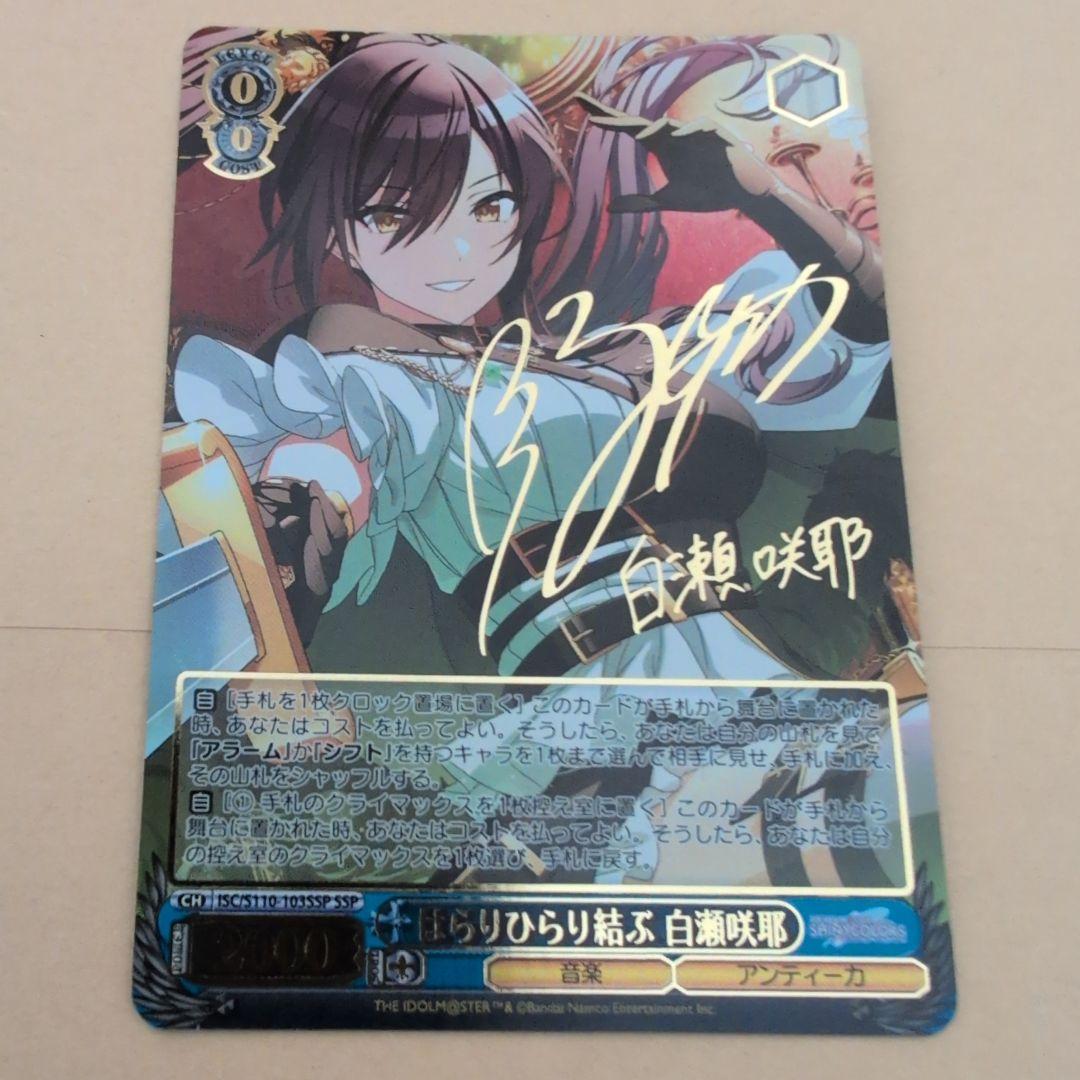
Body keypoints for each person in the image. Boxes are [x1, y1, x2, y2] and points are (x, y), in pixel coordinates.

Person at [175, 34, 896, 886]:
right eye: (396, 216)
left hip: (754, 674)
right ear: (339, 230)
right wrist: (294, 541)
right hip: (601, 734)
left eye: (488, 207)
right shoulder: (377, 379)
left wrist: (758, 191)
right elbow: (324, 475)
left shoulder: (619, 350)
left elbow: (865, 326)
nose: (457, 250)